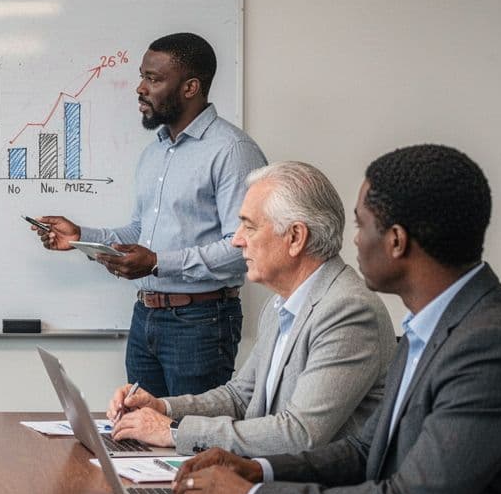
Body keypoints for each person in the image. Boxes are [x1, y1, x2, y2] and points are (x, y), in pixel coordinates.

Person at [172, 145, 501, 494]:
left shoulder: (491, 345)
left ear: (396, 241)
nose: (353, 240)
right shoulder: (434, 325)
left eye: (362, 225)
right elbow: (364, 452)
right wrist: (259, 470)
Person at [33, 33, 267, 398]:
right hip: (146, 317)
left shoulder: (232, 151)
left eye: (154, 79)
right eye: (143, 76)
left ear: (190, 87)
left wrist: (158, 263)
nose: (140, 88)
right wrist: (80, 236)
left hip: (201, 322)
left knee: (191, 441)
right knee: (139, 437)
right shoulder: (156, 153)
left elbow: (243, 248)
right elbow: (142, 231)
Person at [107, 161, 394, 456]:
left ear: (295, 237)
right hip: (270, 479)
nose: (236, 240)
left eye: (249, 226)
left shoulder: (348, 311)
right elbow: (239, 397)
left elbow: (299, 434)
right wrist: (163, 406)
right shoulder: (279, 303)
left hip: (314, 493)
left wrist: (172, 431)